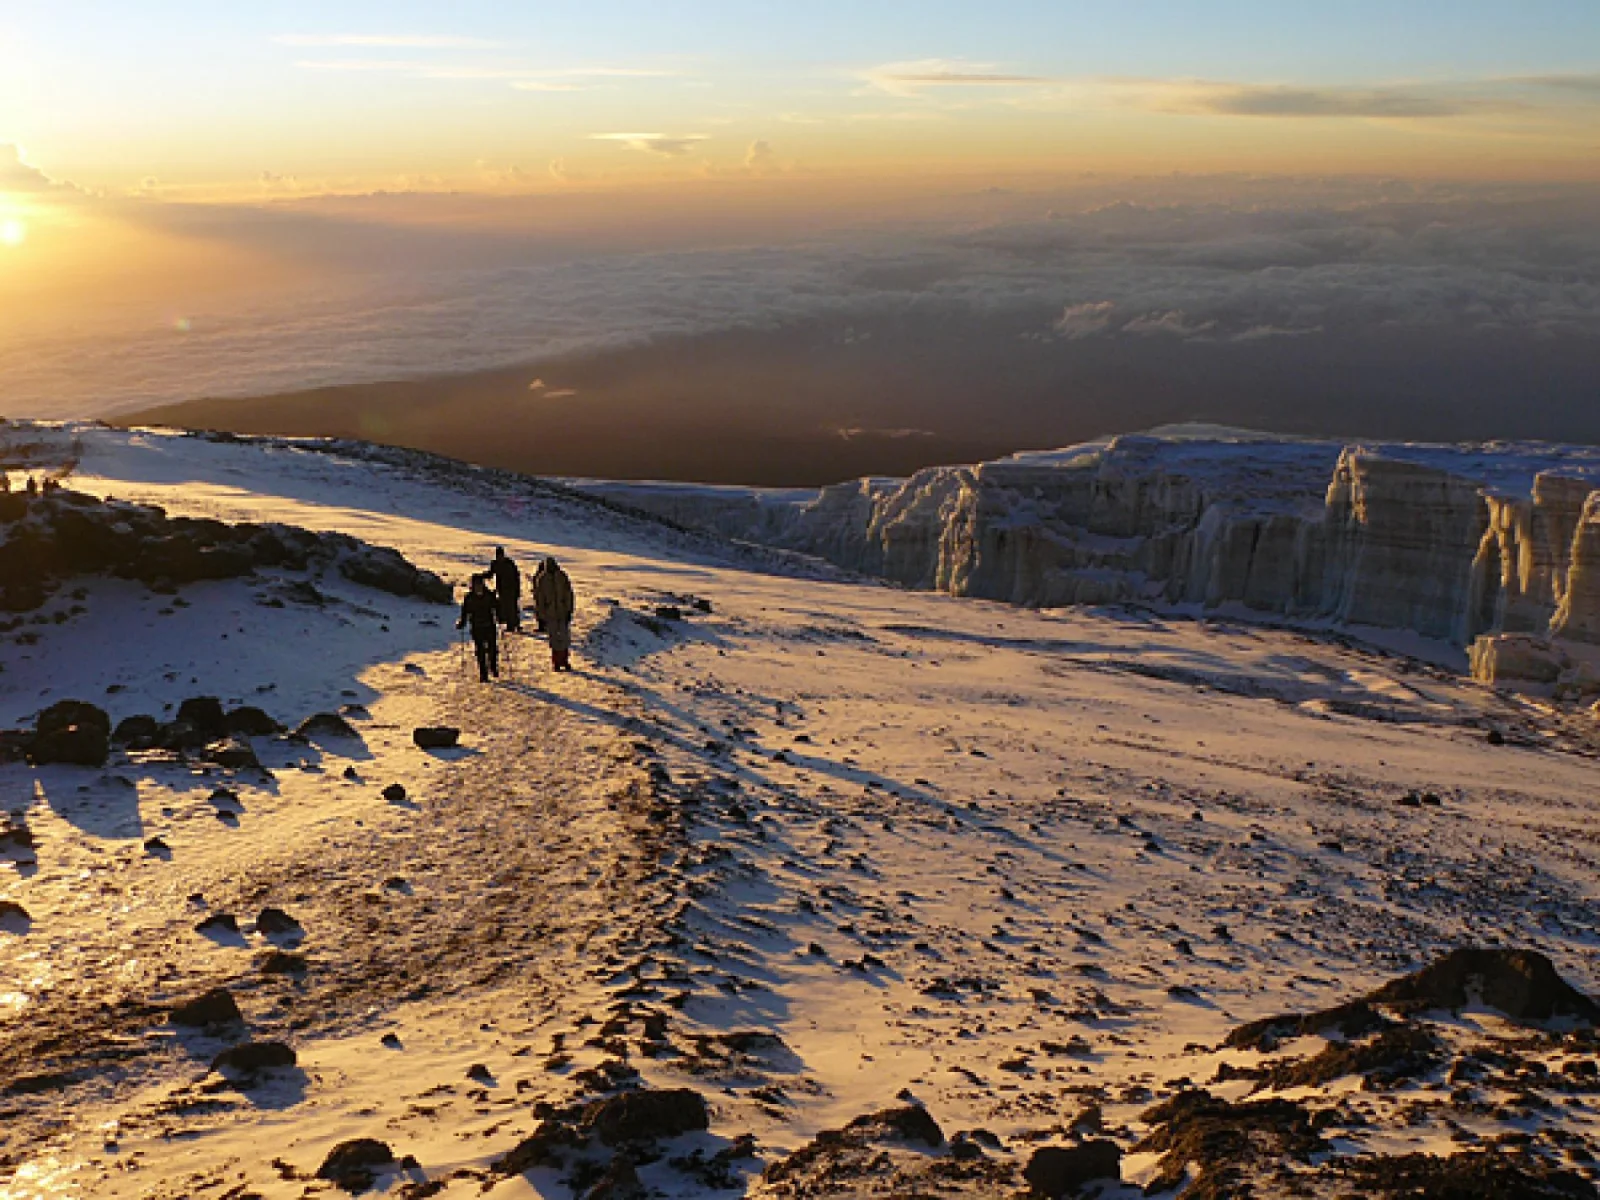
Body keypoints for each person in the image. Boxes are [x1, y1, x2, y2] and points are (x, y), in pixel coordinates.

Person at [533, 557, 576, 672]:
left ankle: (564, 660)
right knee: (554, 639)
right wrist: (541, 615)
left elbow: (568, 594)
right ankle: (556, 662)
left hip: (562, 612)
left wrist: (569, 610)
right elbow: (539, 598)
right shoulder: (542, 579)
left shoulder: (562, 576)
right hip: (550, 613)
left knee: (564, 638)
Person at [456, 574, 500, 682]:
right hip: (477, 627)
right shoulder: (469, 598)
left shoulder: (489, 595)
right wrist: (462, 623)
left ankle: (493, 666)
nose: (478, 587)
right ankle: (483, 674)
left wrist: (501, 617)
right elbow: (465, 613)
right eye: (476, 585)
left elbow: (497, 607)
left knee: (492, 649)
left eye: (480, 584)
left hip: (489, 625)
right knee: (480, 650)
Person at [488, 546, 522, 632]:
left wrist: (517, 589)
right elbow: (490, 574)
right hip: (502, 590)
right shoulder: (495, 564)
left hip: (512, 589)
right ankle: (511, 624)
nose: (499, 557)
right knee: (505, 607)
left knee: (512, 607)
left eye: (501, 555)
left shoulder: (509, 563)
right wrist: (480, 576)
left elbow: (516, 576)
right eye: (498, 555)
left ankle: (514, 624)